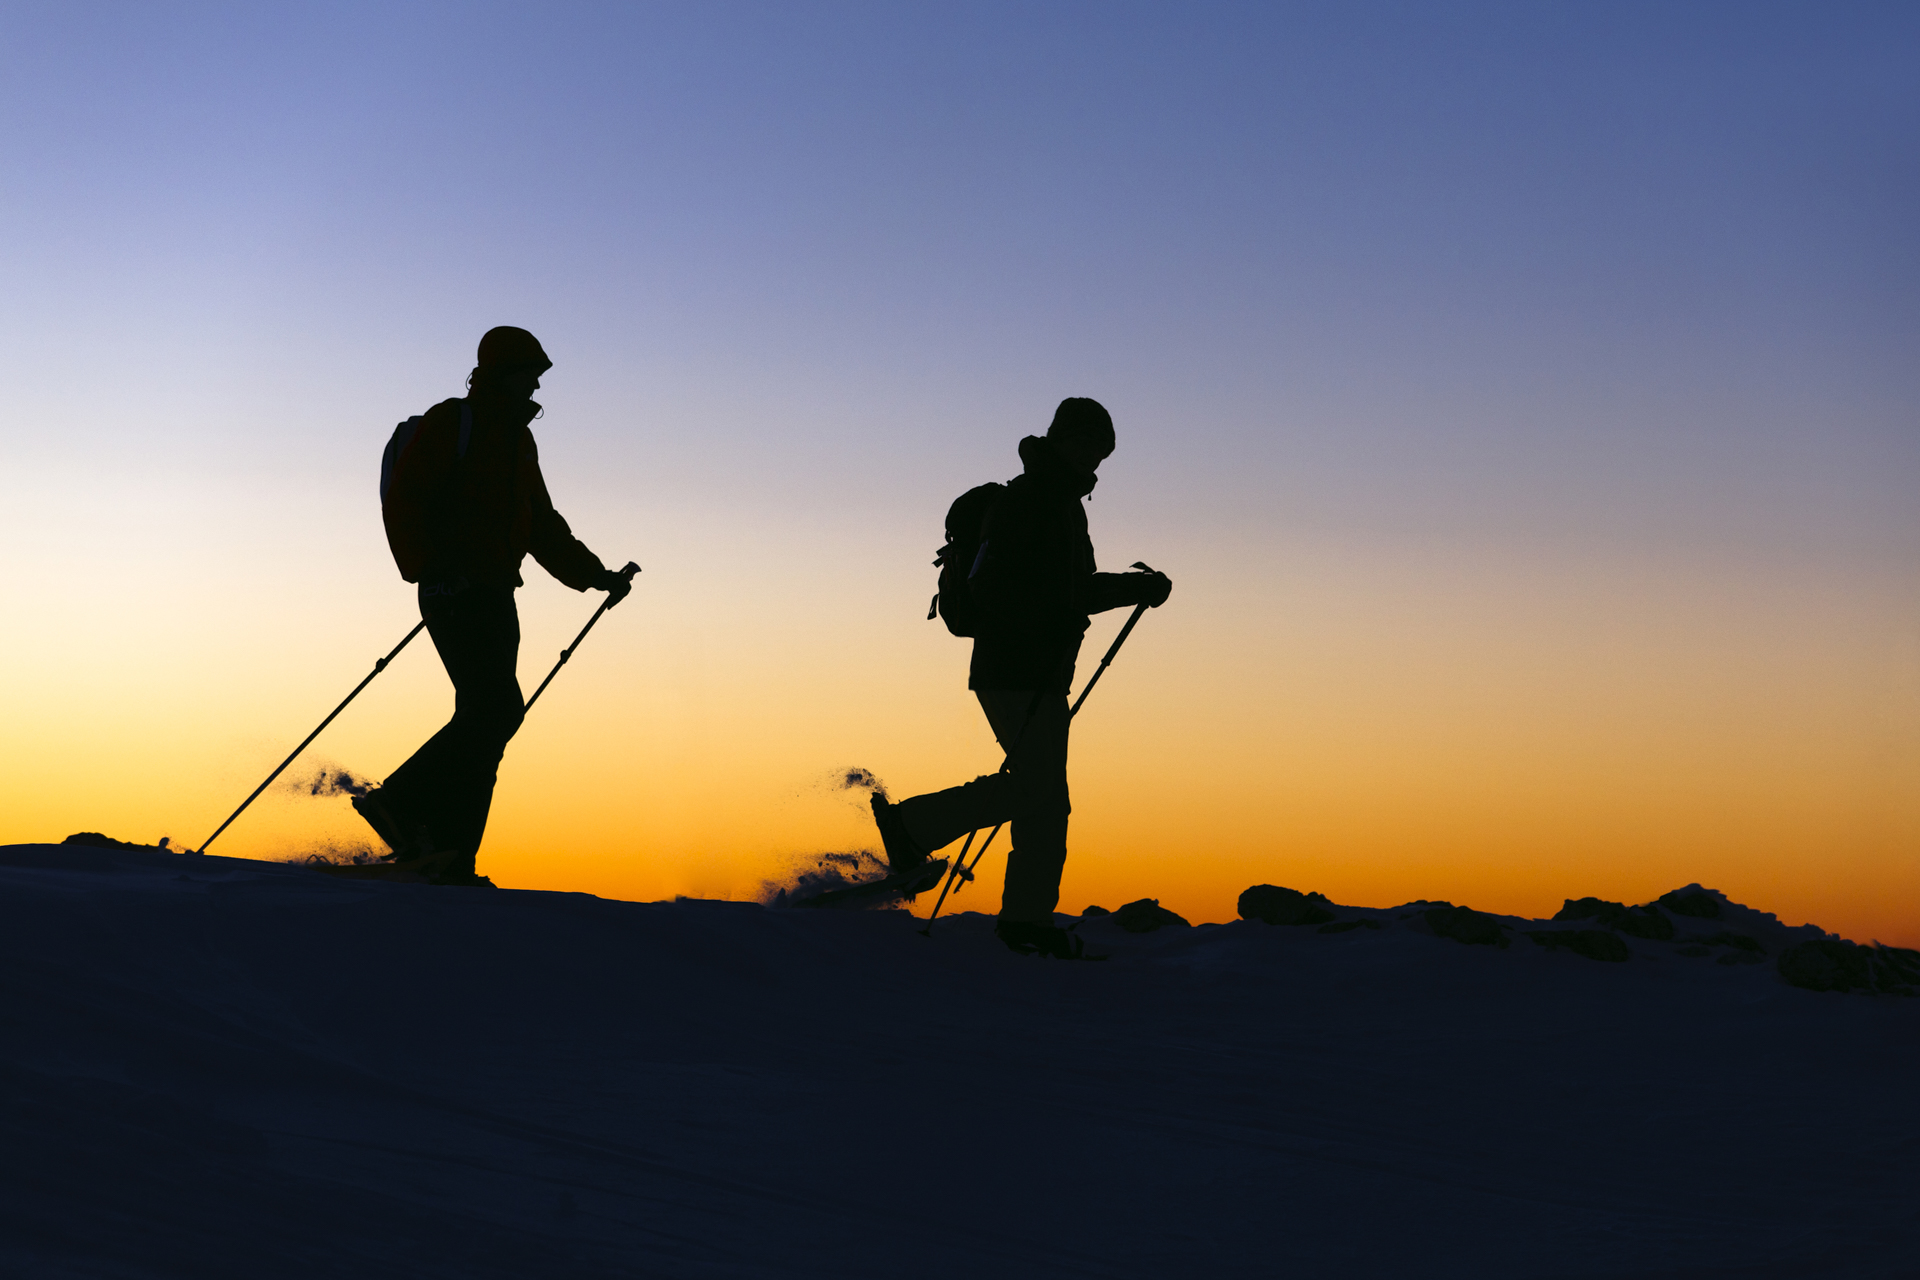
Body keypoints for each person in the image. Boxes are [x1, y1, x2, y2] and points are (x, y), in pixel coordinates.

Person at [871, 397, 1171, 956]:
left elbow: (1063, 588)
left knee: (1045, 799)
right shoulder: (1035, 501)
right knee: (1036, 789)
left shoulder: (1057, 500)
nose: (1095, 461)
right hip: (1017, 668)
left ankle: (1026, 918)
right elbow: (1054, 591)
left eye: (1101, 452)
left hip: (1034, 669)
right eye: (1086, 446)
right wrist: (1131, 590)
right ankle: (913, 828)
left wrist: (1116, 593)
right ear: (1060, 440)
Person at [351, 326, 633, 884]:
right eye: (529, 372)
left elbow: (540, 523)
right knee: (495, 710)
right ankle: (399, 804)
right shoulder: (453, 422)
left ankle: (451, 855)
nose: (536, 383)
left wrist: (595, 576)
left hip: (496, 591)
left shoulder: (517, 441)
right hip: (452, 590)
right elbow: (407, 501)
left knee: (491, 721)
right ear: (501, 370)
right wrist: (430, 570)